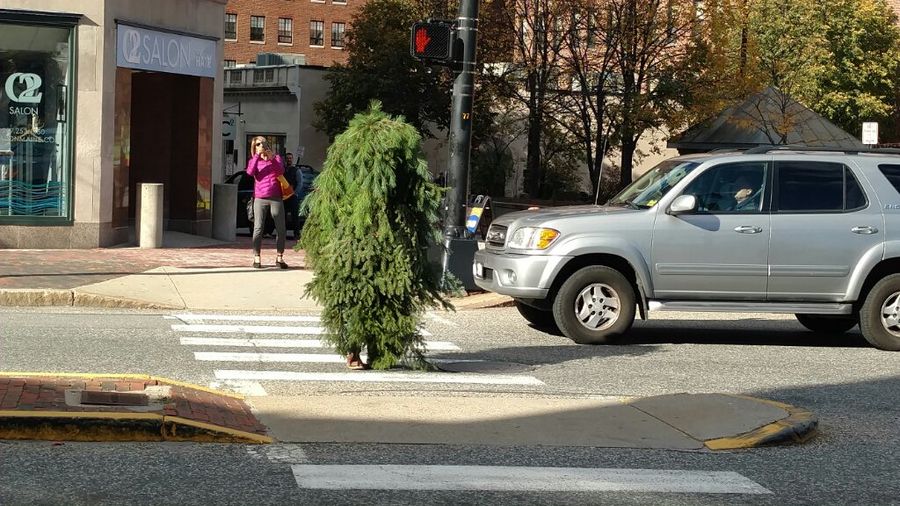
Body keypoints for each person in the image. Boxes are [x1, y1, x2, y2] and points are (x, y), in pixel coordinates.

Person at [246, 136, 289, 269]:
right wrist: (256, 157)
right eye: (258, 144)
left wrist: (271, 158)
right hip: (260, 197)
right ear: (254, 147)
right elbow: (250, 173)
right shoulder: (254, 161)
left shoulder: (276, 158)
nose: (261, 146)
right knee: (258, 228)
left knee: (281, 228)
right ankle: (257, 257)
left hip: (276, 196)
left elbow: (281, 171)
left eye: (263, 143)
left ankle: (279, 257)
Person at [283, 153, 301, 240]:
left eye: (290, 158)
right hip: (284, 197)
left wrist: (295, 193)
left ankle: (296, 234)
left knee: (295, 216)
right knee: (283, 216)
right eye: (287, 158)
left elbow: (300, 183)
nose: (289, 160)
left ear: (292, 159)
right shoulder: (282, 170)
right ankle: (283, 233)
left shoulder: (296, 170)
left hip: (293, 197)